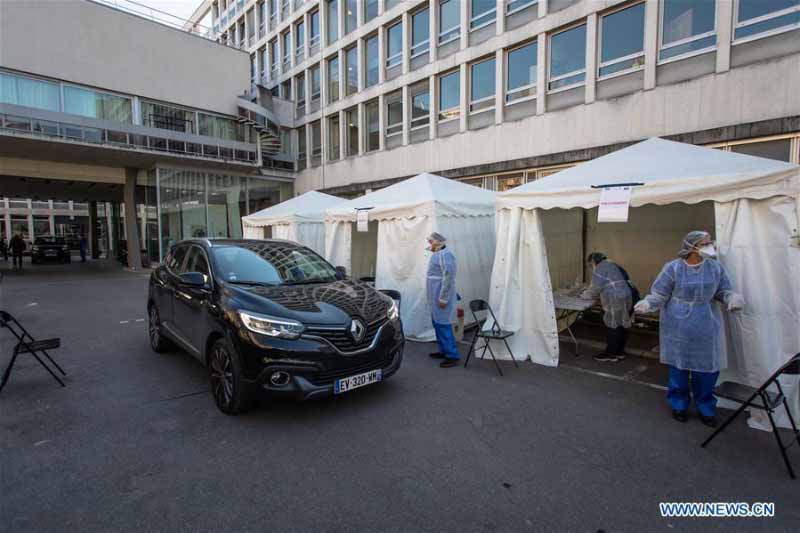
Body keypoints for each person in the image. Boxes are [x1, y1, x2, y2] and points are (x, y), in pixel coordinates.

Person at [634, 231, 744, 427]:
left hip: (706, 325)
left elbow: (723, 291)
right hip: (678, 325)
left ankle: (706, 407)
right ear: (691, 247)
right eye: (704, 243)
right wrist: (648, 304)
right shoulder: (673, 269)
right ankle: (679, 405)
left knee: (707, 370)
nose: (710, 246)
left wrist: (731, 298)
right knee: (679, 368)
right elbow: (659, 294)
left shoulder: (715, 268)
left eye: (710, 242)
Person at [581, 252, 634, 362]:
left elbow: (595, 288)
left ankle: (611, 354)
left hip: (615, 298)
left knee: (613, 325)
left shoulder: (601, 267)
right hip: (627, 295)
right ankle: (620, 352)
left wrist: (583, 295)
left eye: (591, 264)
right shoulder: (611, 264)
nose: (591, 267)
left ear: (594, 261)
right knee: (622, 324)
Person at [426, 232, 460, 368]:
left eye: (431, 242)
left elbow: (448, 277)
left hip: (440, 295)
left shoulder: (446, 255)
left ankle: (452, 355)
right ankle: (443, 350)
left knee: (443, 324)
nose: (429, 244)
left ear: (438, 242)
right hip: (435, 294)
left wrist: (443, 298)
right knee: (437, 323)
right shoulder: (438, 253)